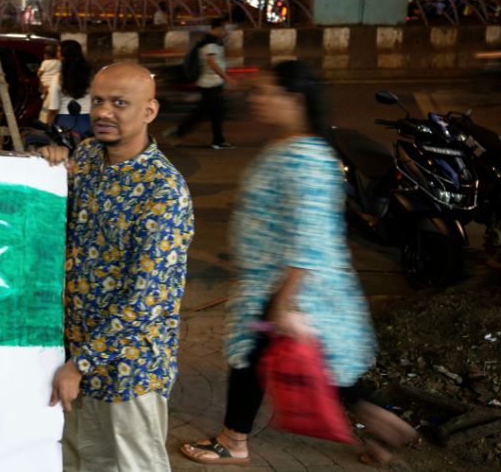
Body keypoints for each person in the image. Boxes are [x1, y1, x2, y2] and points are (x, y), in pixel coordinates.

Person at [181, 61, 417, 467]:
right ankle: (386, 426)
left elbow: (308, 235)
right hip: (285, 286)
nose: (257, 99)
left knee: (253, 358)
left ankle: (233, 441)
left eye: (266, 91)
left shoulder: (304, 157)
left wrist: (285, 303)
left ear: (295, 100)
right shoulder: (294, 147)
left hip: (285, 288)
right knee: (320, 367)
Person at [37, 62, 194, 472]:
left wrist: (81, 364)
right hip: (74, 356)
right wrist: (48, 163)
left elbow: (147, 300)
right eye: (99, 101)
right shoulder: (87, 157)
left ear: (149, 111)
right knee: (75, 461)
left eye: (120, 103)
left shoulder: (164, 191)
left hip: (129, 372)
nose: (104, 112)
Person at [167, 19, 233, 149]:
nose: (225, 32)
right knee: (211, 113)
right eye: (223, 29)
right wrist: (227, 78)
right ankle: (217, 141)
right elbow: (212, 62)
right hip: (210, 83)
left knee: (209, 113)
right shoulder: (210, 42)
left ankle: (178, 134)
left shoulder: (210, 41)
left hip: (211, 82)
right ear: (218, 28)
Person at [55, 39, 92, 137]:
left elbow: (53, 106)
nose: (57, 54)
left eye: (59, 51)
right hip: (88, 119)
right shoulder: (90, 74)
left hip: (65, 119)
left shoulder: (59, 77)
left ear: (64, 54)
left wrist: (48, 123)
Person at [38, 43, 61, 124]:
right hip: (53, 85)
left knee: (46, 104)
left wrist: (39, 77)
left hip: (46, 85)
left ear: (45, 55)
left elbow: (40, 73)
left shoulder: (45, 63)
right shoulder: (59, 63)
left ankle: (45, 123)